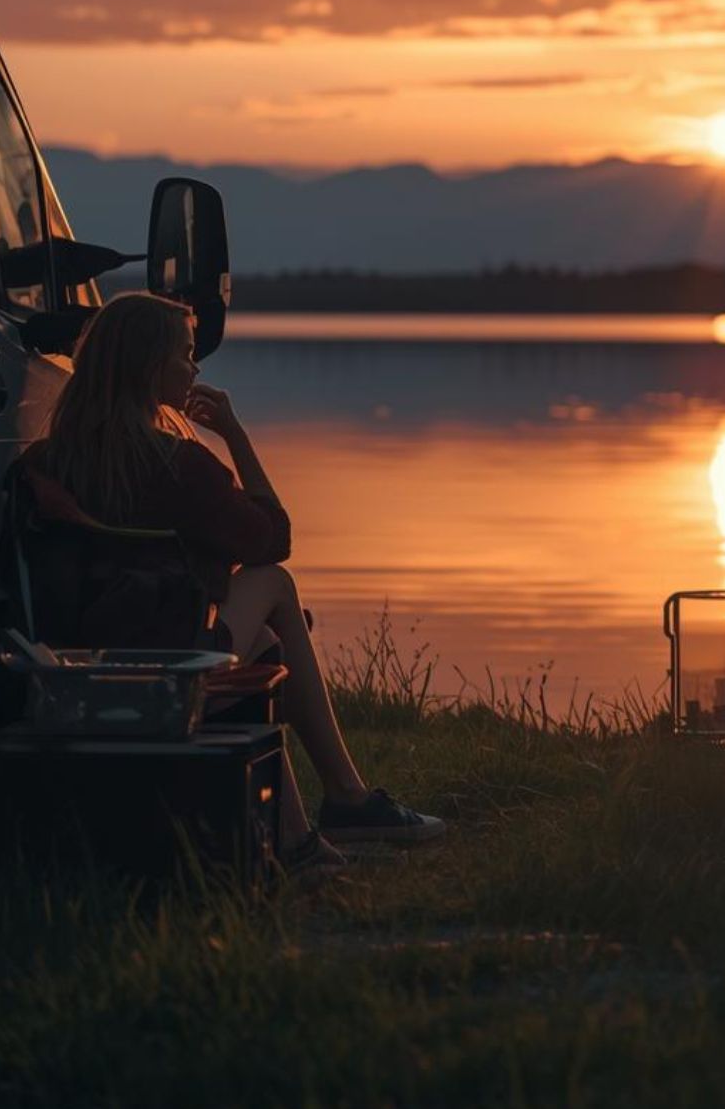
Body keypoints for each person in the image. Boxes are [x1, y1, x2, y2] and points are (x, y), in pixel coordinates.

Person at [29, 291, 445, 874]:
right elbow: (272, 539)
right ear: (151, 366)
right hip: (171, 662)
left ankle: (301, 840)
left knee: (270, 642)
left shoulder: (47, 460)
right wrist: (235, 433)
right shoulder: (181, 467)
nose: (195, 369)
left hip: (82, 660)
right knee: (274, 582)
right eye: (187, 354)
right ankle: (347, 800)